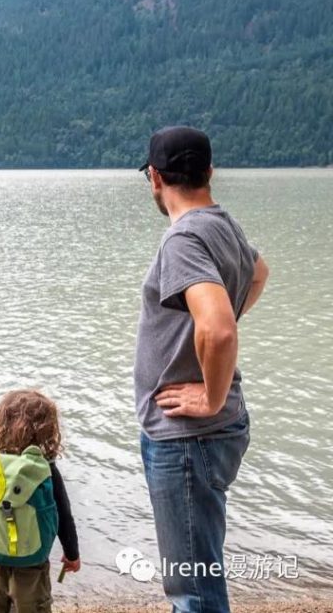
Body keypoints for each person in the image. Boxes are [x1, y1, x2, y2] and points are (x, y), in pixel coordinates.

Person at [135, 126, 270, 613]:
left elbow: (219, 330)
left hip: (188, 438)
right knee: (199, 572)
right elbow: (259, 273)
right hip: (213, 431)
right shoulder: (222, 223)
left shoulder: (183, 239)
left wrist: (210, 396)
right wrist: (218, 327)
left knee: (192, 590)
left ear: (155, 177)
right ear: (209, 172)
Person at [0, 390, 80, 613]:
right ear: (48, 431)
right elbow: (64, 515)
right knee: (33, 605)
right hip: (32, 561)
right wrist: (72, 553)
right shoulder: (45, 469)